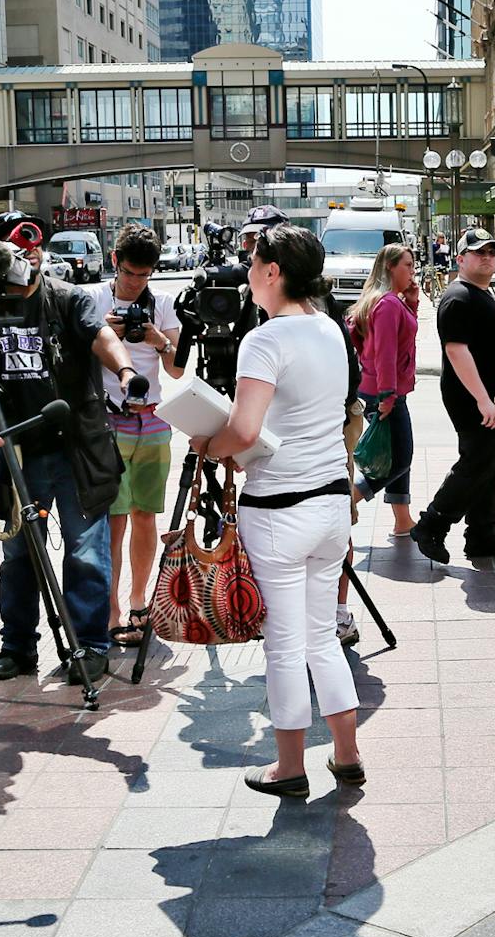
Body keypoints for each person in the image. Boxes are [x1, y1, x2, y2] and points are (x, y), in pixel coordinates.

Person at [192, 224, 364, 797]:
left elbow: (243, 430)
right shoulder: (331, 330)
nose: (247, 273)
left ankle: (290, 766)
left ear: (272, 272)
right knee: (320, 636)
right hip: (331, 503)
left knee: (285, 644)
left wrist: (210, 446)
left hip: (279, 508)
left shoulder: (264, 340)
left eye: (253, 263)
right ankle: (347, 752)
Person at [0, 239, 142, 682]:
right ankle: (17, 647)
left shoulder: (69, 298)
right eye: (13, 250)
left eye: (31, 248)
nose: (25, 257)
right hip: (14, 451)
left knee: (86, 552)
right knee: (17, 554)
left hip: (75, 450)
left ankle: (90, 646)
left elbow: (102, 336)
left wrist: (126, 373)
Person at [84, 225, 185, 647]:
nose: (136, 283)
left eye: (144, 275)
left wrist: (158, 339)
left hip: (153, 423)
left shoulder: (162, 304)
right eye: (129, 273)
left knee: (146, 515)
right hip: (109, 421)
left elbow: (178, 369)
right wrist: (102, 333)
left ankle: (139, 600)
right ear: (114, 261)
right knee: (114, 519)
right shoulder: (93, 301)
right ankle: (110, 609)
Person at [414, 229, 495, 566]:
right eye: (479, 253)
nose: (488, 258)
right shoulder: (458, 296)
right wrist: (483, 399)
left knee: (494, 462)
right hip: (474, 398)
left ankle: (482, 533)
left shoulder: (485, 292)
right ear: (460, 259)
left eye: (492, 252)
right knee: (477, 461)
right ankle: (432, 523)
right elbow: (456, 351)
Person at [347, 243, 421, 541]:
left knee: (393, 454)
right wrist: (388, 395)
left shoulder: (386, 301)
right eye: (408, 265)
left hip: (376, 389)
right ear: (390, 266)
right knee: (401, 458)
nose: (412, 272)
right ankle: (349, 498)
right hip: (383, 392)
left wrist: (413, 303)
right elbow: (386, 353)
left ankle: (403, 520)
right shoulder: (388, 304)